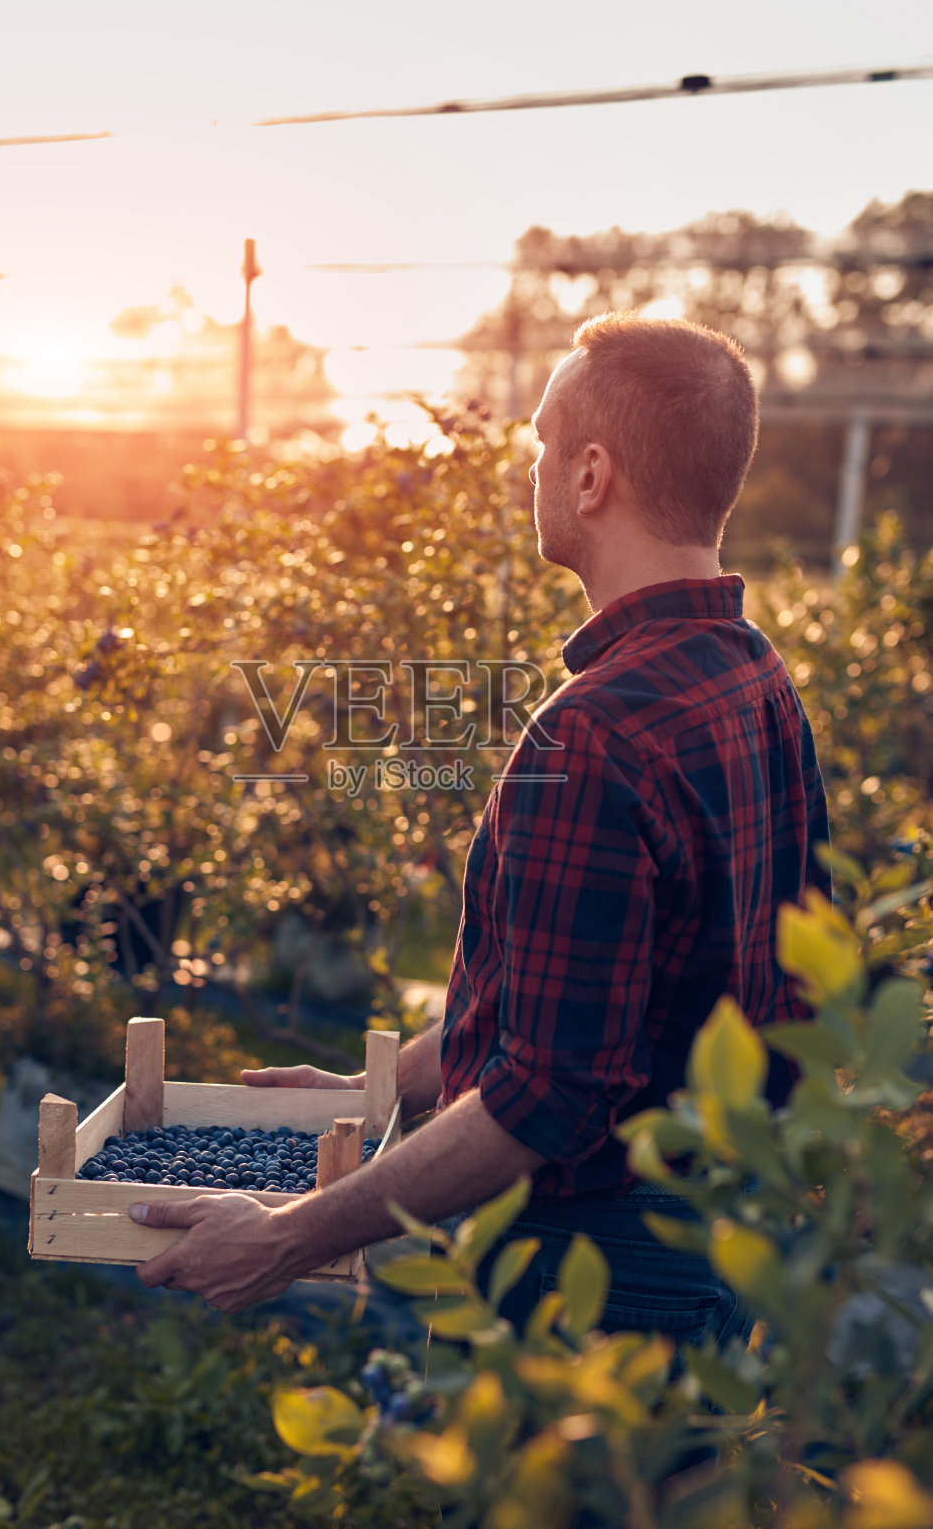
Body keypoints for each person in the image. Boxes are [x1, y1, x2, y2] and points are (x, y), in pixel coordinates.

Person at [130, 312, 829, 1340]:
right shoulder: (751, 671)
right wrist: (378, 1090)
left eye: (542, 444)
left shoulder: (588, 737)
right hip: (726, 1229)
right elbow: (589, 1002)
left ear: (589, 477)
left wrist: (290, 1232)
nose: (532, 470)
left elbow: (544, 1097)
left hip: (594, 1273)